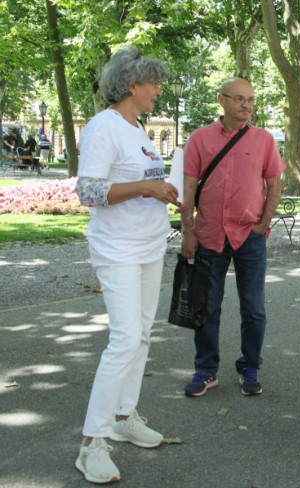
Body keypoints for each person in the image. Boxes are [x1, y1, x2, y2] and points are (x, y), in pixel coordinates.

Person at [73, 45, 178, 484]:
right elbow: (89, 192)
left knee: (140, 337)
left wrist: (164, 190)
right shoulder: (104, 127)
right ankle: (90, 444)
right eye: (153, 83)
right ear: (131, 85)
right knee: (123, 340)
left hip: (149, 245)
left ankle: (124, 415)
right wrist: (145, 189)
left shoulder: (138, 129)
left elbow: (144, 184)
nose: (158, 90)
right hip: (117, 248)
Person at [181, 77, 285, 398]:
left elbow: (275, 185)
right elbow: (187, 188)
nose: (247, 105)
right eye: (239, 99)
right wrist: (187, 231)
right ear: (222, 100)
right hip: (209, 234)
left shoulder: (264, 140)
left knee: (253, 307)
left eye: (251, 100)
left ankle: (250, 366)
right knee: (207, 307)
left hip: (249, 236)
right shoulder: (199, 140)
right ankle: (206, 370)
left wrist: (264, 223)